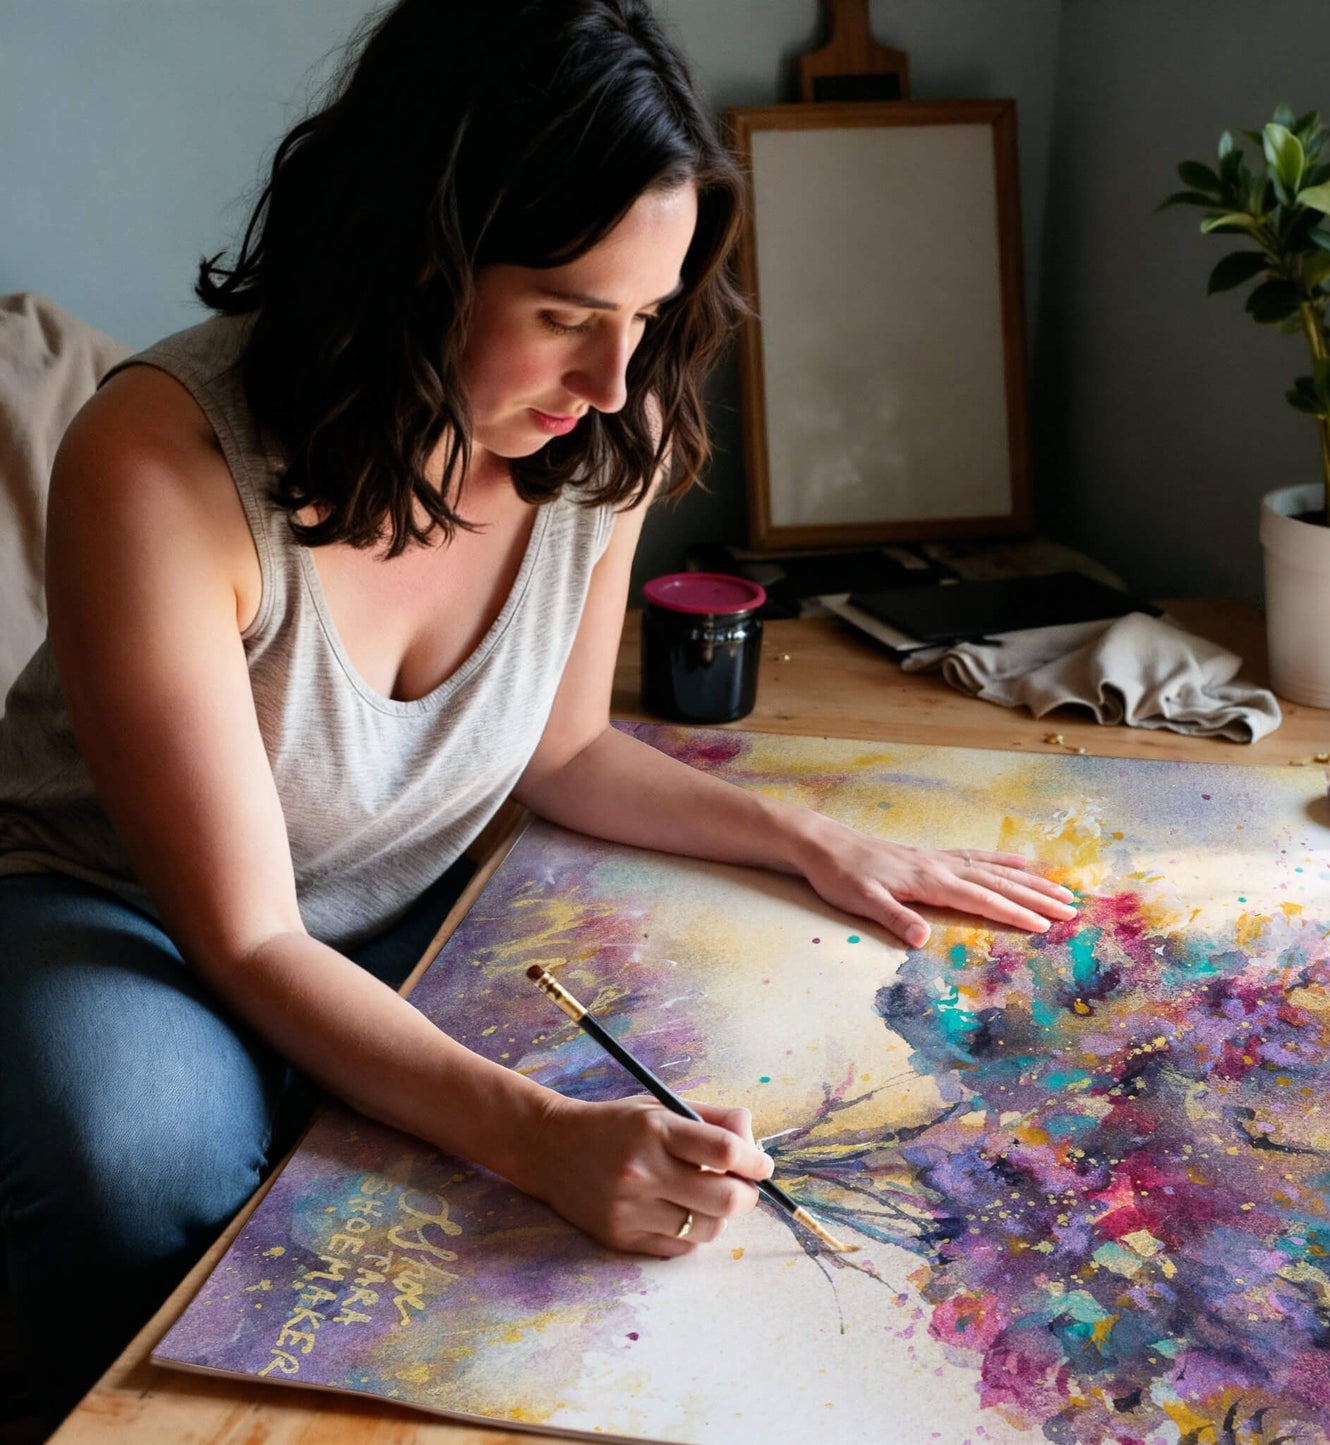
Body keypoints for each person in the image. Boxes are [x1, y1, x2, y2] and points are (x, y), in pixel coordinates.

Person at [0, 0, 1078, 1422]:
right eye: (567, 315)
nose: (612, 380)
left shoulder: (602, 430)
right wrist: (538, 1138)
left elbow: (562, 752)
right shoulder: (156, 461)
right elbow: (249, 934)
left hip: (390, 898)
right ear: (411, 258)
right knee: (142, 1152)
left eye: (646, 317)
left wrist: (811, 839)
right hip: (118, 906)